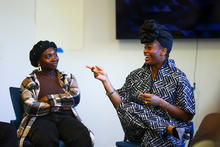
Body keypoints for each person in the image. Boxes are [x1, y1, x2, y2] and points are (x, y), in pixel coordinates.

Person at [86, 20, 195, 146]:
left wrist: (161, 103)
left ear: (163, 51)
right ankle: (167, 128)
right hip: (138, 132)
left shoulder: (178, 77)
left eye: (149, 47)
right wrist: (105, 80)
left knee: (153, 138)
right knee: (127, 106)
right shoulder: (135, 75)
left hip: (169, 135)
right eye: (145, 47)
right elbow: (120, 106)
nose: (145, 51)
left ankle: (165, 130)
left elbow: (186, 116)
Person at [17, 40, 94, 147]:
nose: (54, 58)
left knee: (83, 137)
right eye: (48, 56)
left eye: (55, 54)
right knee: (45, 139)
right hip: (40, 119)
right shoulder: (29, 81)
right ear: (39, 61)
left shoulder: (67, 77)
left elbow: (75, 98)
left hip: (65, 117)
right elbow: (30, 106)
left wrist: (48, 99)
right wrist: (62, 103)